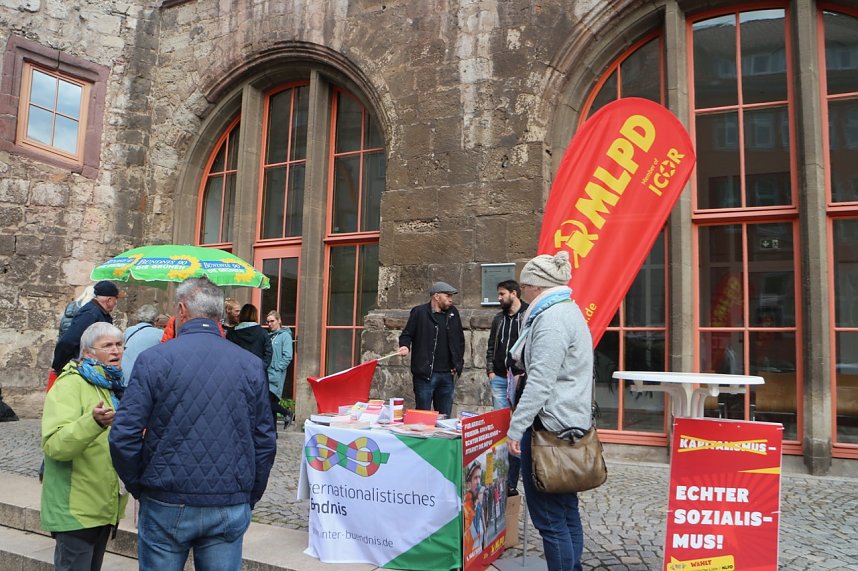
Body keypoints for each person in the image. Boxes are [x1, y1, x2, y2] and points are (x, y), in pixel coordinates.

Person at [109, 277, 276, 570]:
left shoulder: (153, 360)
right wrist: (249, 493)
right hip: (226, 498)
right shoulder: (249, 364)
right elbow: (264, 439)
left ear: (182, 310)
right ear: (219, 315)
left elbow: (123, 434)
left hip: (167, 498)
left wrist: (141, 486)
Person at [507, 251, 593, 571]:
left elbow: (540, 383)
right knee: (566, 510)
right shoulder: (568, 311)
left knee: (550, 519)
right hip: (568, 424)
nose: (523, 292)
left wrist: (516, 428)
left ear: (537, 287)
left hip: (549, 429)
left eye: (525, 286)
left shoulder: (551, 319)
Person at [41, 322, 128, 571]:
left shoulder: (112, 385)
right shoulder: (70, 384)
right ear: (88, 353)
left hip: (103, 505)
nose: (116, 351)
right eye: (107, 346)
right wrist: (93, 422)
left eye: (119, 344)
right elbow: (54, 445)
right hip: (75, 509)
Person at [485, 279, 528, 495]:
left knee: (518, 428)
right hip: (500, 379)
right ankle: (501, 472)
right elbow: (491, 346)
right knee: (501, 426)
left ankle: (514, 477)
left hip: (521, 379)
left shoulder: (530, 315)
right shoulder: (498, 319)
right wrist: (490, 371)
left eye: (502, 294)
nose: (499, 298)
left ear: (514, 293)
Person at [397, 281, 465, 417]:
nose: (451, 299)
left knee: (444, 417)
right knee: (423, 416)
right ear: (436, 296)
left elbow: (459, 340)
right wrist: (404, 346)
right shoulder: (419, 312)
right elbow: (407, 334)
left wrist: (457, 363)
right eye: (448, 296)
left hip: (447, 375)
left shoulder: (453, 313)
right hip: (425, 375)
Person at [51, 281, 124, 377]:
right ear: (109, 300)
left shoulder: (99, 313)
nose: (116, 303)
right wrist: (58, 367)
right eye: (116, 299)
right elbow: (68, 341)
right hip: (82, 369)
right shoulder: (90, 314)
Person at [121, 304, 163, 386]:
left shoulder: (129, 330)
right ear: (156, 320)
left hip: (123, 377)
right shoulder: (160, 334)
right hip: (140, 379)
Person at [266, 310, 294, 429]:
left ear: (279, 321)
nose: (269, 324)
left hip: (276, 375)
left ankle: (287, 413)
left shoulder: (285, 336)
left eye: (272, 321)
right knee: (269, 403)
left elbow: (288, 355)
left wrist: (277, 368)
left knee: (267, 401)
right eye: (268, 322)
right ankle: (273, 432)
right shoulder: (269, 336)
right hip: (267, 373)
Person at [227, 303, 273, 368]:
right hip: (257, 370)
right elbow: (268, 353)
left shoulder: (232, 333)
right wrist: (262, 368)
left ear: (241, 314)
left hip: (238, 370)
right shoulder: (263, 333)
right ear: (255, 315)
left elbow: (229, 354)